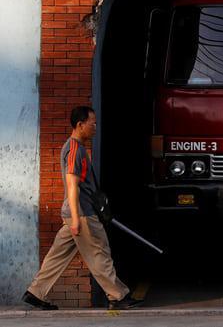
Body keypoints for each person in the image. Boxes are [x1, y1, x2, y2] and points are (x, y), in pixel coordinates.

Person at [23, 106, 141, 310]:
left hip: (76, 213)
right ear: (80, 125)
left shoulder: (77, 148)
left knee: (57, 255)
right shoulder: (74, 150)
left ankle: (35, 292)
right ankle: (117, 297)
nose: (95, 127)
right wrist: (77, 219)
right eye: (92, 123)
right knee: (99, 253)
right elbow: (72, 185)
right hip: (83, 214)